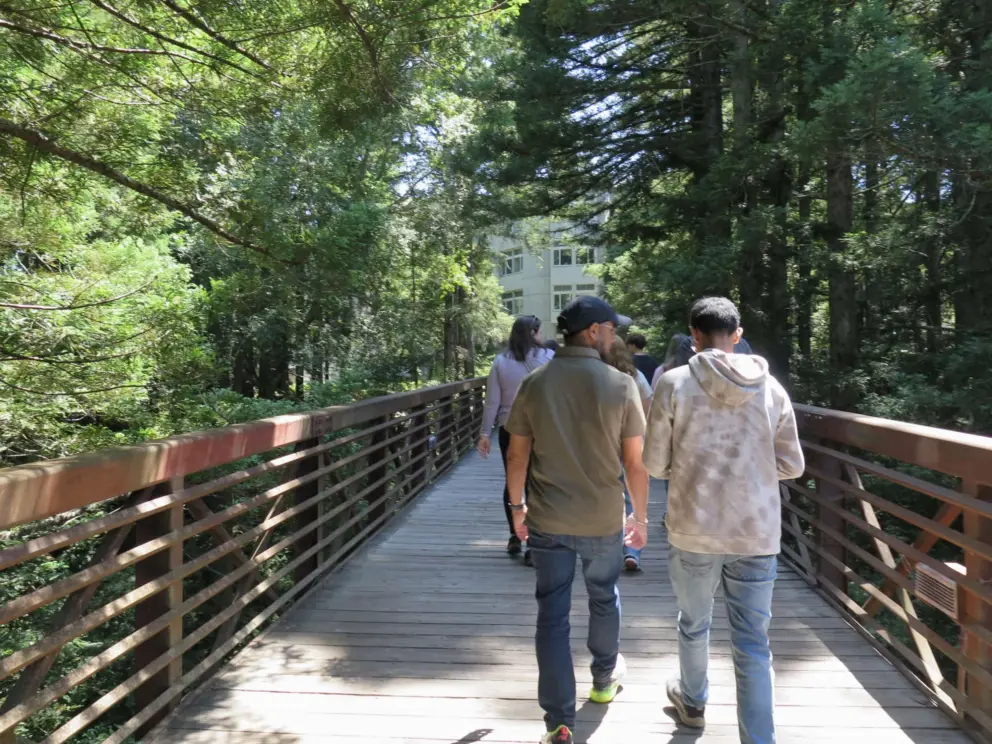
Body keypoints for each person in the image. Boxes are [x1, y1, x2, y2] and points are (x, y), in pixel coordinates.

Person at [643, 297, 805, 744]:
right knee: (753, 642)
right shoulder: (772, 391)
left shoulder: (673, 384)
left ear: (693, 335)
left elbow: (654, 464)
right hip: (756, 531)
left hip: (693, 526)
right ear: (737, 334)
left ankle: (692, 702)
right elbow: (792, 464)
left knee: (693, 622)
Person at [503, 296, 650, 744]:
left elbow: (516, 455)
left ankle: (559, 721)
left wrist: (517, 509)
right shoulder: (620, 384)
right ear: (593, 332)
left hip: (548, 518)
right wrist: (640, 517)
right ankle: (604, 680)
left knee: (552, 615)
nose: (616, 336)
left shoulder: (535, 382)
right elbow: (635, 463)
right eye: (611, 328)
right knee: (604, 596)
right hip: (603, 518)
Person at [478, 315, 554, 560]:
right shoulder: (550, 359)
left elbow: (492, 402)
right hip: (542, 428)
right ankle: (534, 542)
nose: (541, 337)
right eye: (539, 332)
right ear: (533, 333)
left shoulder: (500, 361)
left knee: (513, 479)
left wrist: (484, 433)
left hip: (509, 427)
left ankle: (515, 535)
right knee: (538, 482)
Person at [605, 338, 651, 572]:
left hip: (604, 444)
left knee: (608, 494)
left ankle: (607, 547)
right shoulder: (636, 377)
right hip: (633, 442)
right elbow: (647, 410)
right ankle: (631, 550)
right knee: (632, 494)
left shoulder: (597, 377)